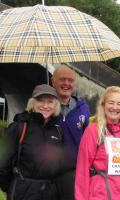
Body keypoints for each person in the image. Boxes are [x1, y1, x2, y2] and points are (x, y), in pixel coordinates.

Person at [0, 84, 64, 200]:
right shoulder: (19, 128)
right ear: (32, 103)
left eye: (50, 102)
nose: (45, 106)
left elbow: (59, 166)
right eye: (40, 101)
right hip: (23, 193)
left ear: (56, 105)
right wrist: (11, 187)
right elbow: (1, 164)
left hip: (50, 194)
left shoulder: (57, 131)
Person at [75, 86, 120, 200]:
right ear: (103, 104)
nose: (115, 107)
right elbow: (82, 169)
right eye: (111, 102)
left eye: (119, 104)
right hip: (100, 194)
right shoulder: (93, 130)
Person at [51, 64, 90, 200]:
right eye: (62, 79)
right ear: (53, 81)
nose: (66, 83)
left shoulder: (83, 108)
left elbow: (88, 140)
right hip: (47, 174)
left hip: (72, 173)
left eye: (70, 80)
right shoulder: (44, 108)